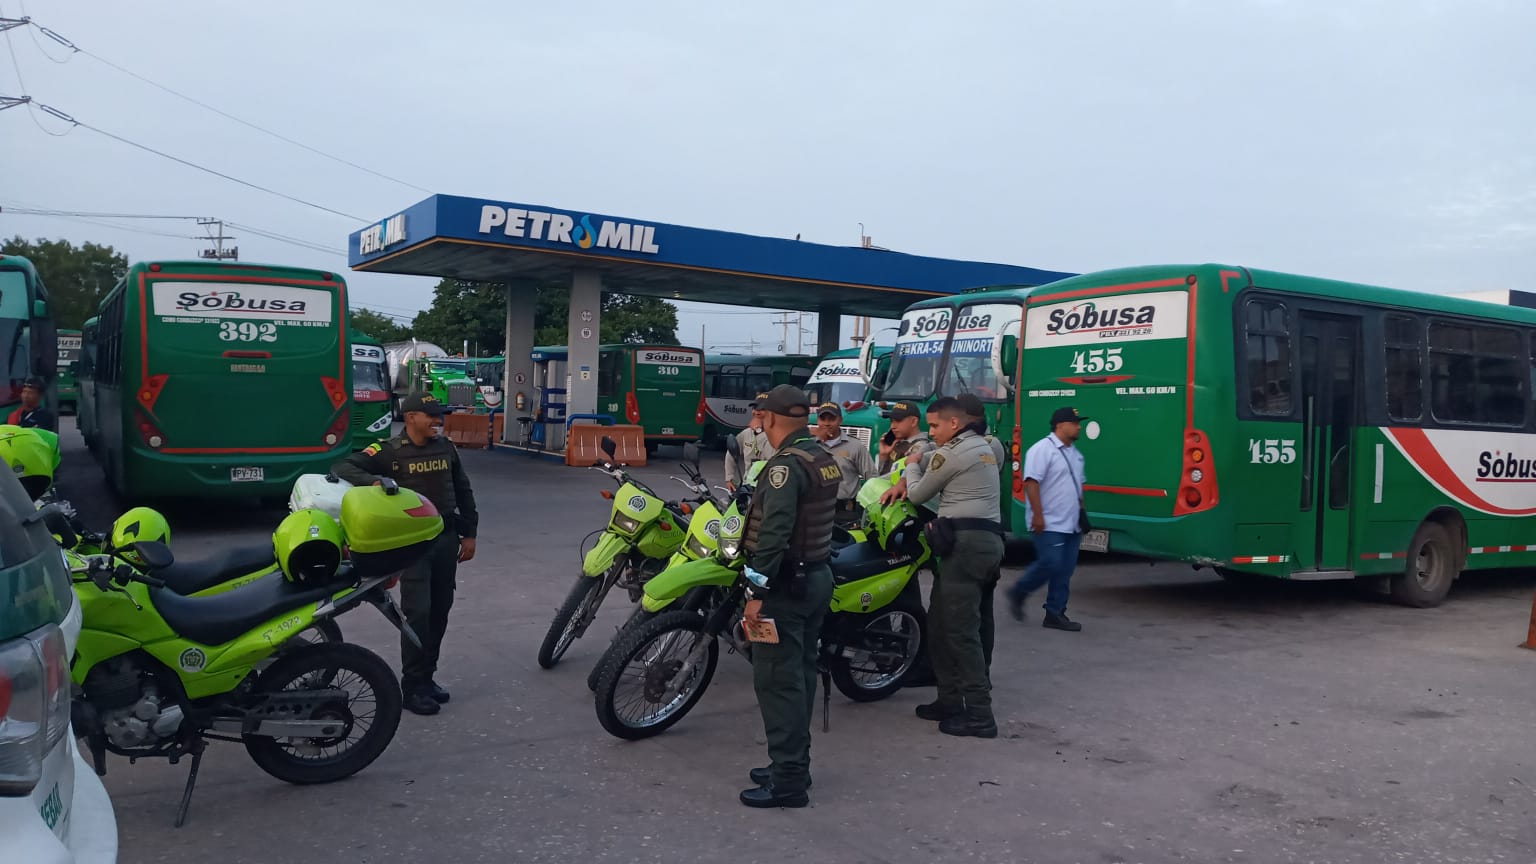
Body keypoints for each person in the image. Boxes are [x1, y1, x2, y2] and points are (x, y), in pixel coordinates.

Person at [333, 391, 479, 716]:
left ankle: (427, 678)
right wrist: (375, 482)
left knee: (440, 611)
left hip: (445, 538)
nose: (437, 421)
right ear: (411, 417)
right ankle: (412, 687)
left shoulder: (446, 448)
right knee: (419, 613)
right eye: (430, 416)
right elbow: (345, 466)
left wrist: (470, 533)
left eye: (438, 416)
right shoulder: (389, 451)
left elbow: (463, 490)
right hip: (413, 546)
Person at [739, 384, 841, 808]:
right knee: (799, 676)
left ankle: (788, 781)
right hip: (815, 578)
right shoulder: (820, 456)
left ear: (771, 419)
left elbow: (776, 533)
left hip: (783, 588)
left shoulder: (782, 467)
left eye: (762, 417)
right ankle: (795, 763)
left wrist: (756, 591)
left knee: (779, 682)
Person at [882, 397, 1004, 738]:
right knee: (944, 621)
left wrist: (912, 464)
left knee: (960, 631)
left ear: (955, 424)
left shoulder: (951, 452)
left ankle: (979, 713)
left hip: (964, 547)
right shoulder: (989, 446)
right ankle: (949, 700)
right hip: (987, 543)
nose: (932, 431)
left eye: (935, 426)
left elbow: (919, 494)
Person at [1006, 406, 1087, 632]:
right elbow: (1031, 482)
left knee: (1065, 569)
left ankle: (1055, 613)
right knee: (1051, 562)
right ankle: (1019, 591)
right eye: (1075, 422)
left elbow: (1078, 485)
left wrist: (1083, 513)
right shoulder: (1042, 450)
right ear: (1061, 425)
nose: (1079, 426)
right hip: (1049, 522)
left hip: (1071, 523)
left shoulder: (1075, 453)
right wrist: (1038, 515)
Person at [812, 402, 876, 526]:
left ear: (840, 420)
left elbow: (872, 479)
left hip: (845, 513)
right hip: (815, 511)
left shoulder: (855, 446)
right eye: (822, 418)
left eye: (831, 419)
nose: (826, 423)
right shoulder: (809, 446)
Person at [725, 393, 775, 492]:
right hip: (748, 488)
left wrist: (759, 431)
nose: (756, 412)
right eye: (754, 408)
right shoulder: (746, 433)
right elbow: (731, 451)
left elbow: (773, 458)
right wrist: (729, 478)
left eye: (761, 409)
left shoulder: (776, 434)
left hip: (768, 489)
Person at [877, 401, 931, 477]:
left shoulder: (921, 447)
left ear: (913, 422)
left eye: (898, 421)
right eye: (891, 421)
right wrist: (884, 455)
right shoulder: (897, 442)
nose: (893, 426)